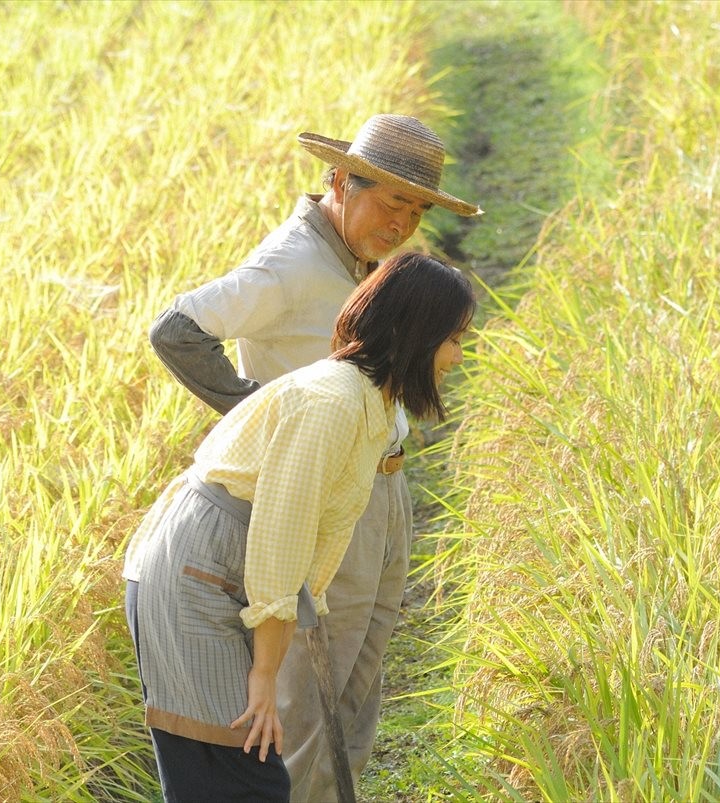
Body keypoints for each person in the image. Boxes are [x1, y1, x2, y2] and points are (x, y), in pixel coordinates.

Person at [146, 113, 481, 801]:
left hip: (372, 484)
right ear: (339, 181)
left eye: (416, 209)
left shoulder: (357, 263)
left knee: (358, 680)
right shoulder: (292, 263)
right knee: (310, 694)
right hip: (314, 491)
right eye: (392, 201)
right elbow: (177, 330)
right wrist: (262, 415)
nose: (402, 222)